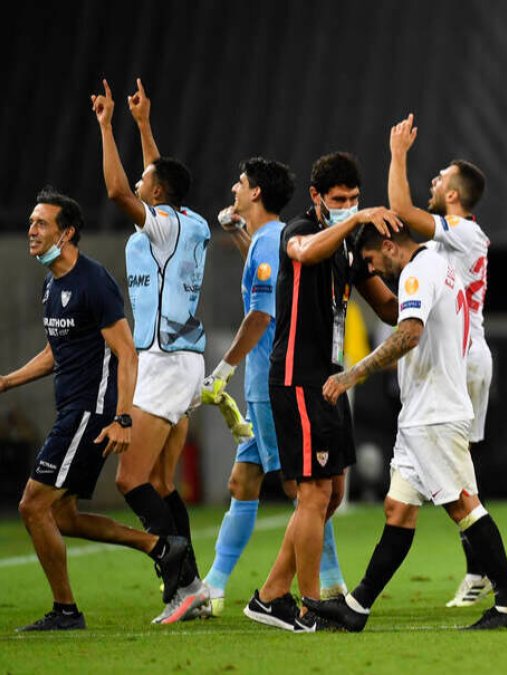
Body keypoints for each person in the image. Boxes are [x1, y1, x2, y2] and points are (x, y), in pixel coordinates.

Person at [304, 224, 507, 631]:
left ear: (389, 245)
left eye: (373, 261)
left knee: (463, 505)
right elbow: (403, 318)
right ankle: (357, 607)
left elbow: (408, 334)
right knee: (398, 510)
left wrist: (352, 375)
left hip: (435, 413)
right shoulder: (438, 266)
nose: (376, 270)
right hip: (420, 413)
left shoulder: (417, 271)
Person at [4, 189, 190, 631]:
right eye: (31, 222)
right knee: (63, 517)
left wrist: (123, 417)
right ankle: (161, 548)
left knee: (33, 507)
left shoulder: (93, 281)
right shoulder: (52, 284)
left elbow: (127, 353)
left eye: (42, 223)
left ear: (67, 233)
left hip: (90, 412)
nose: (32, 230)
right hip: (72, 408)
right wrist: (8, 381)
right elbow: (57, 351)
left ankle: (66, 611)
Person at [243, 153, 400, 632]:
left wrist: (423, 279)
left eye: (354, 199)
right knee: (312, 494)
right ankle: (310, 603)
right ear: (316, 198)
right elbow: (305, 253)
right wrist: (355, 219)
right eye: (338, 200)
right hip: (298, 378)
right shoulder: (298, 230)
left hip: (332, 380)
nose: (348, 206)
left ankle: (271, 594)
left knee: (332, 495)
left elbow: (391, 309)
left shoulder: (350, 247)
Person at [198, 157, 347, 613]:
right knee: (243, 481)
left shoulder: (271, 242)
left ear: (257, 193)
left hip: (268, 383)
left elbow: (261, 315)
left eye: (241, 183)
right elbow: (269, 286)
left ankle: (328, 583)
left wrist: (223, 370)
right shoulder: (267, 240)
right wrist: (238, 232)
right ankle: (215, 586)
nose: (234, 189)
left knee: (304, 490)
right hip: (269, 381)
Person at [93, 78, 209, 621]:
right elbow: (158, 181)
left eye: (148, 181)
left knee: (129, 480)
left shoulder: (158, 225)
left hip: (162, 363)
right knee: (161, 481)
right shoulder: (189, 222)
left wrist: (106, 127)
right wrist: (143, 125)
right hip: (185, 360)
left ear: (157, 194)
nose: (140, 182)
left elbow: (121, 192)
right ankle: (196, 586)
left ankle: (178, 575)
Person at [386, 114, 497, 607]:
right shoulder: (443, 241)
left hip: (463, 358)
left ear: (454, 195)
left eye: (440, 179)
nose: (434, 183)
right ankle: (481, 568)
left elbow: (401, 208)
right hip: (456, 357)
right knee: (460, 472)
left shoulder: (465, 234)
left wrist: (398, 154)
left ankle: (484, 571)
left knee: (460, 476)